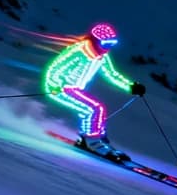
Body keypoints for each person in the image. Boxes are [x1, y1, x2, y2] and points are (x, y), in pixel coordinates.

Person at [43, 22, 145, 159]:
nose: (107, 48)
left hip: (75, 89)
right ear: (96, 41)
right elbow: (56, 68)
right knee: (95, 108)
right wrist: (55, 84)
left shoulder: (102, 56)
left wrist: (131, 86)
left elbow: (111, 74)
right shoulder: (79, 52)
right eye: (105, 43)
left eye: (111, 44)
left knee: (96, 110)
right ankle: (92, 141)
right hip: (60, 88)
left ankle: (95, 139)